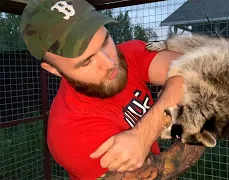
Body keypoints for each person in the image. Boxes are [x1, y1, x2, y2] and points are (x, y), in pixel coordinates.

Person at [20, 0, 206, 179]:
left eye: (105, 41)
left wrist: (144, 134)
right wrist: (205, 123)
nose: (110, 63)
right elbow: (155, 173)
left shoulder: (128, 54)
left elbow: (197, 70)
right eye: (87, 61)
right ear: (53, 70)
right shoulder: (70, 134)